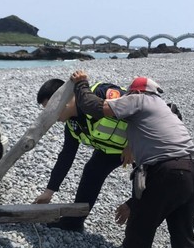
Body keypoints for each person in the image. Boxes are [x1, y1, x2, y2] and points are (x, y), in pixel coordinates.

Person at [71, 70, 194, 248]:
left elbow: (94, 107)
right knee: (183, 238)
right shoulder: (167, 110)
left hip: (169, 171)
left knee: (139, 232)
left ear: (135, 91)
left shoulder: (139, 99)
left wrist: (81, 84)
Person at [33, 78, 130, 232]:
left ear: (62, 101)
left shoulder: (100, 95)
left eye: (50, 111)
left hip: (147, 144)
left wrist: (134, 143)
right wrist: (49, 191)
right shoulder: (72, 124)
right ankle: (74, 222)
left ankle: (137, 235)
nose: (51, 117)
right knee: (92, 171)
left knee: (146, 187)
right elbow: (66, 156)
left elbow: (143, 108)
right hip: (112, 151)